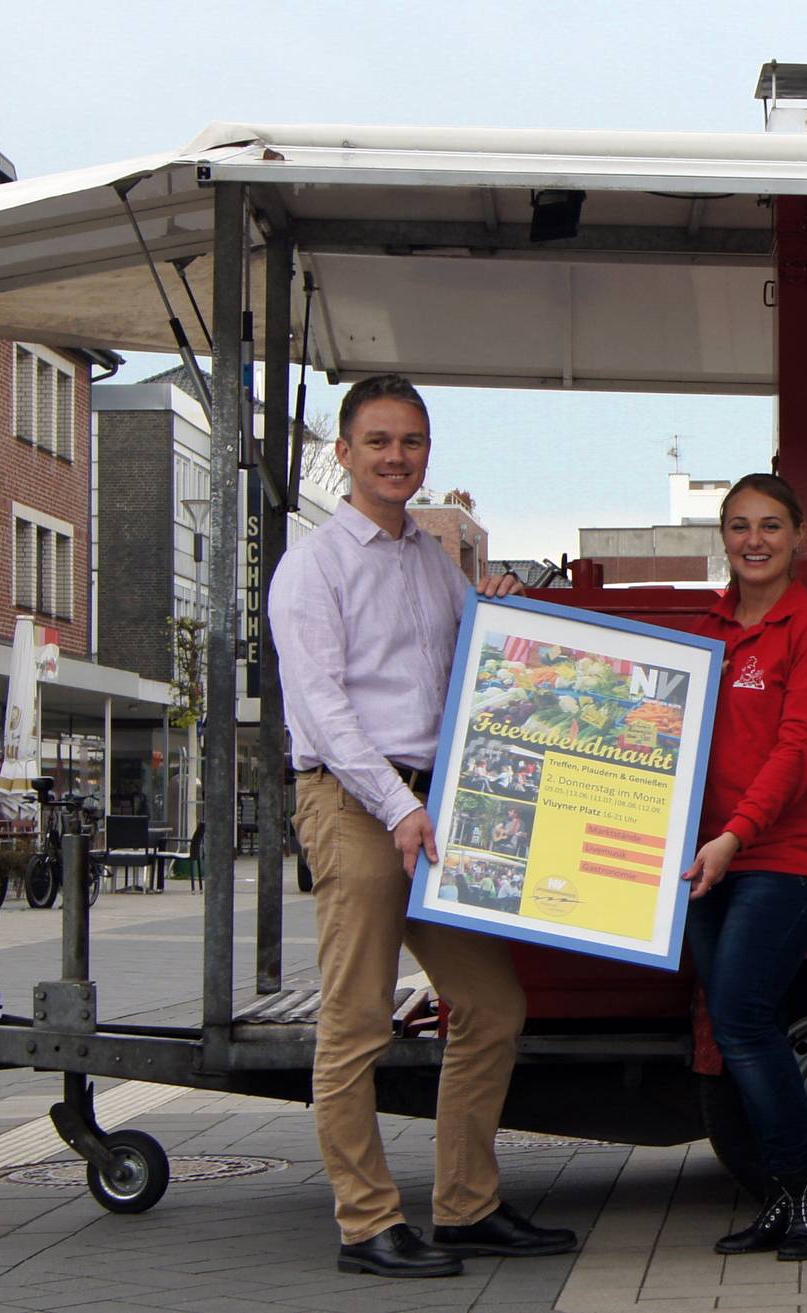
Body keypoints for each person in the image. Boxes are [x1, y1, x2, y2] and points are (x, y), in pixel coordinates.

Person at [269, 373, 574, 1280]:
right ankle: (365, 1223)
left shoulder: (432, 561)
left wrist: (504, 610)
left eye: (411, 442)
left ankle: (466, 1207)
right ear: (345, 453)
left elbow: (472, 668)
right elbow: (321, 709)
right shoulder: (312, 565)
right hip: (356, 802)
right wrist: (398, 807)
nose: (395, 456)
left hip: (436, 805)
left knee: (492, 1005)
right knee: (357, 1022)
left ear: (426, 453)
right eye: (378, 442)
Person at [681, 472, 807, 1261]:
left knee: (743, 1016)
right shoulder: (708, 630)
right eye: (739, 526)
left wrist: (736, 835)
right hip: (711, 861)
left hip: (785, 859)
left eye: (771, 526)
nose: (754, 540)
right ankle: (783, 1197)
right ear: (722, 536)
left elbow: (800, 752)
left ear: (798, 537)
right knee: (730, 1024)